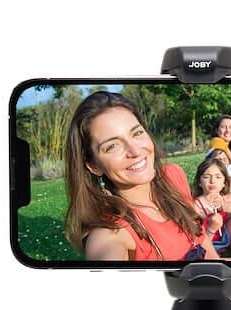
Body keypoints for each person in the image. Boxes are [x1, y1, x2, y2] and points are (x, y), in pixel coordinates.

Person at [64, 91, 217, 262]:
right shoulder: (110, 233)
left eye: (136, 133)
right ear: (94, 165)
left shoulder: (173, 175)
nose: (135, 151)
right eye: (113, 146)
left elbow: (201, 240)